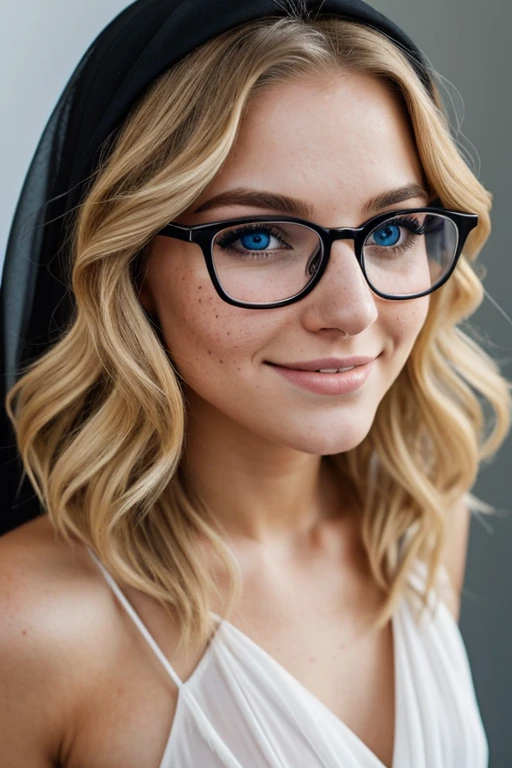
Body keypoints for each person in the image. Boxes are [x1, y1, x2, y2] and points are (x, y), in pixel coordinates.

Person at [0, 0, 510, 766]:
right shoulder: (29, 627)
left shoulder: (420, 531)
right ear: (135, 263)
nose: (353, 309)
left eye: (394, 230)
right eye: (257, 236)